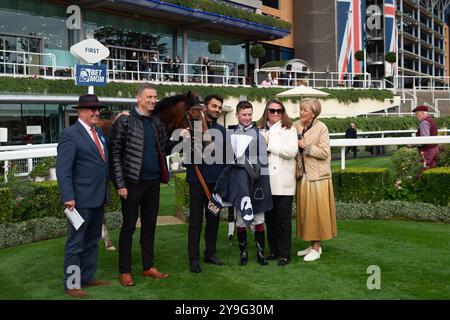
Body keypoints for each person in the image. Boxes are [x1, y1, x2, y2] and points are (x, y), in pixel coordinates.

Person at [110, 83, 171, 286]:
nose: (153, 100)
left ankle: (148, 267)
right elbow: (115, 155)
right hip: (131, 184)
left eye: (155, 97)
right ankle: (124, 271)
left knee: (149, 227)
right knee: (128, 227)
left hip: (153, 183)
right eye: (149, 97)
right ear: (138, 98)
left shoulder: (157, 123)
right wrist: (120, 183)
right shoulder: (125, 122)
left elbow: (164, 149)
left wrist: (182, 136)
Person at [56, 94, 111, 298]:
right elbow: (63, 169)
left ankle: (87, 278)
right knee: (75, 243)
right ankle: (72, 284)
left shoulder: (98, 133)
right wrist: (68, 197)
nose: (96, 112)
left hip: (98, 198)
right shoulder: (70, 134)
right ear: (80, 111)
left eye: (98, 109)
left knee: (92, 240)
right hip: (78, 201)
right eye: (91, 109)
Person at [212, 101, 272, 266]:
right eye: (244, 115)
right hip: (240, 183)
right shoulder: (230, 135)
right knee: (240, 219)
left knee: (259, 218)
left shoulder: (259, 135)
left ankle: (261, 254)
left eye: (249, 115)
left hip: (256, 182)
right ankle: (243, 253)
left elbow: (262, 160)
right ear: (237, 115)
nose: (247, 118)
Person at [184, 95, 227, 273]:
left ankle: (210, 253)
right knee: (195, 221)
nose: (217, 110)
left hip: (215, 183)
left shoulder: (223, 131)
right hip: (197, 181)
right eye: (214, 106)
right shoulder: (191, 129)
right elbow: (188, 160)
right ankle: (193, 258)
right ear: (205, 107)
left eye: (219, 107)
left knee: (213, 219)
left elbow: (225, 159)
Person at [294, 98, 337, 262]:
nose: (301, 112)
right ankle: (312, 244)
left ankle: (317, 248)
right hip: (302, 175)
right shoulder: (296, 125)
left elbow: (325, 153)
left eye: (304, 110)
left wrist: (306, 146)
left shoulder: (321, 128)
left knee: (315, 213)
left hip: (317, 177)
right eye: (300, 109)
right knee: (306, 212)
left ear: (313, 113)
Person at [258, 99, 298, 266]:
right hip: (265, 180)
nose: (275, 113)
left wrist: (269, 143)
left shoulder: (290, 129)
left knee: (283, 220)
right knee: (270, 219)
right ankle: (274, 251)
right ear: (266, 111)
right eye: (272, 110)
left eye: (279, 111)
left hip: (282, 181)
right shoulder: (259, 129)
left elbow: (291, 151)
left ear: (283, 112)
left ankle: (284, 254)